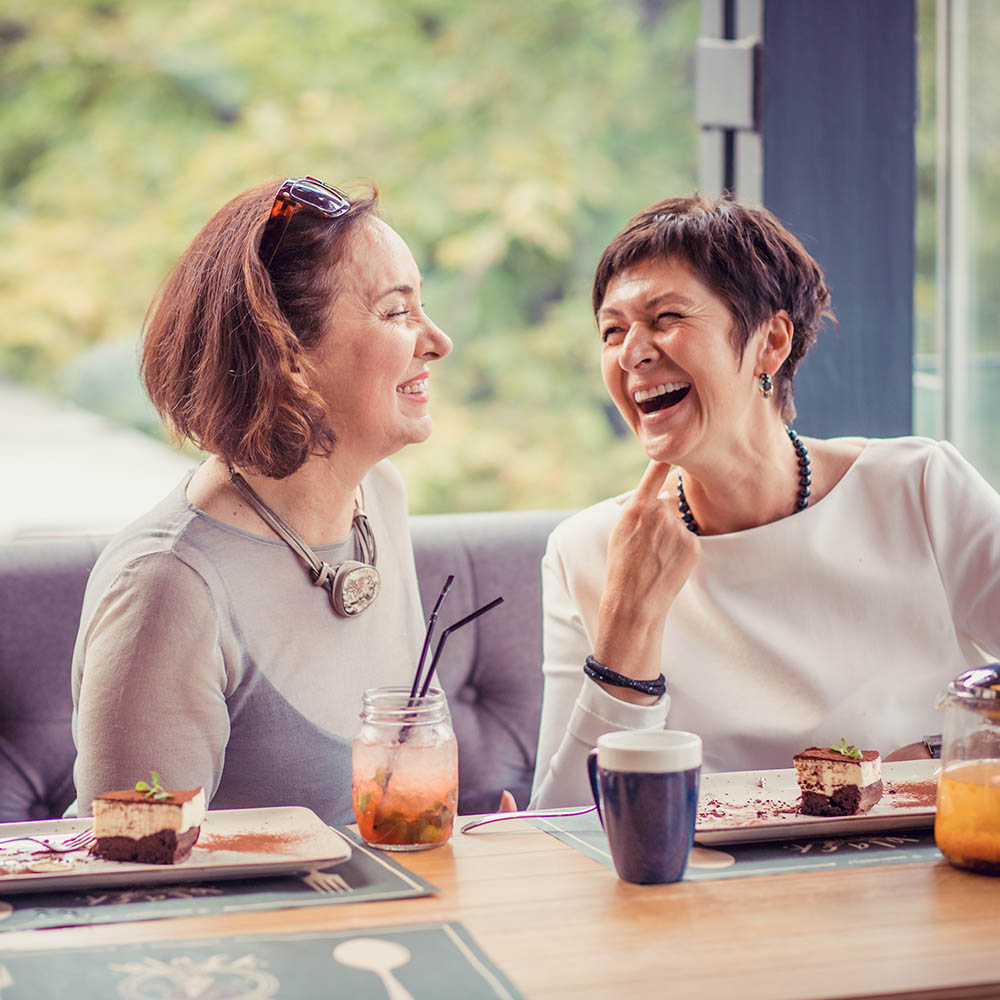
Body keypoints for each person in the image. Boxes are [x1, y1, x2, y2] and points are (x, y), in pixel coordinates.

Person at [529, 194, 1000, 808]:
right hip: (709, 893)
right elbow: (566, 824)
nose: (631, 353)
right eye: (612, 330)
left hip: (918, 874)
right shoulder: (587, 550)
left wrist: (948, 750)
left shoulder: (920, 488)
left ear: (771, 342)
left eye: (665, 317)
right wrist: (628, 626)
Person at [71, 176, 452, 824]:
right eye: (397, 312)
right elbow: (134, 884)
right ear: (290, 358)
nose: (438, 341)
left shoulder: (379, 496)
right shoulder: (167, 584)